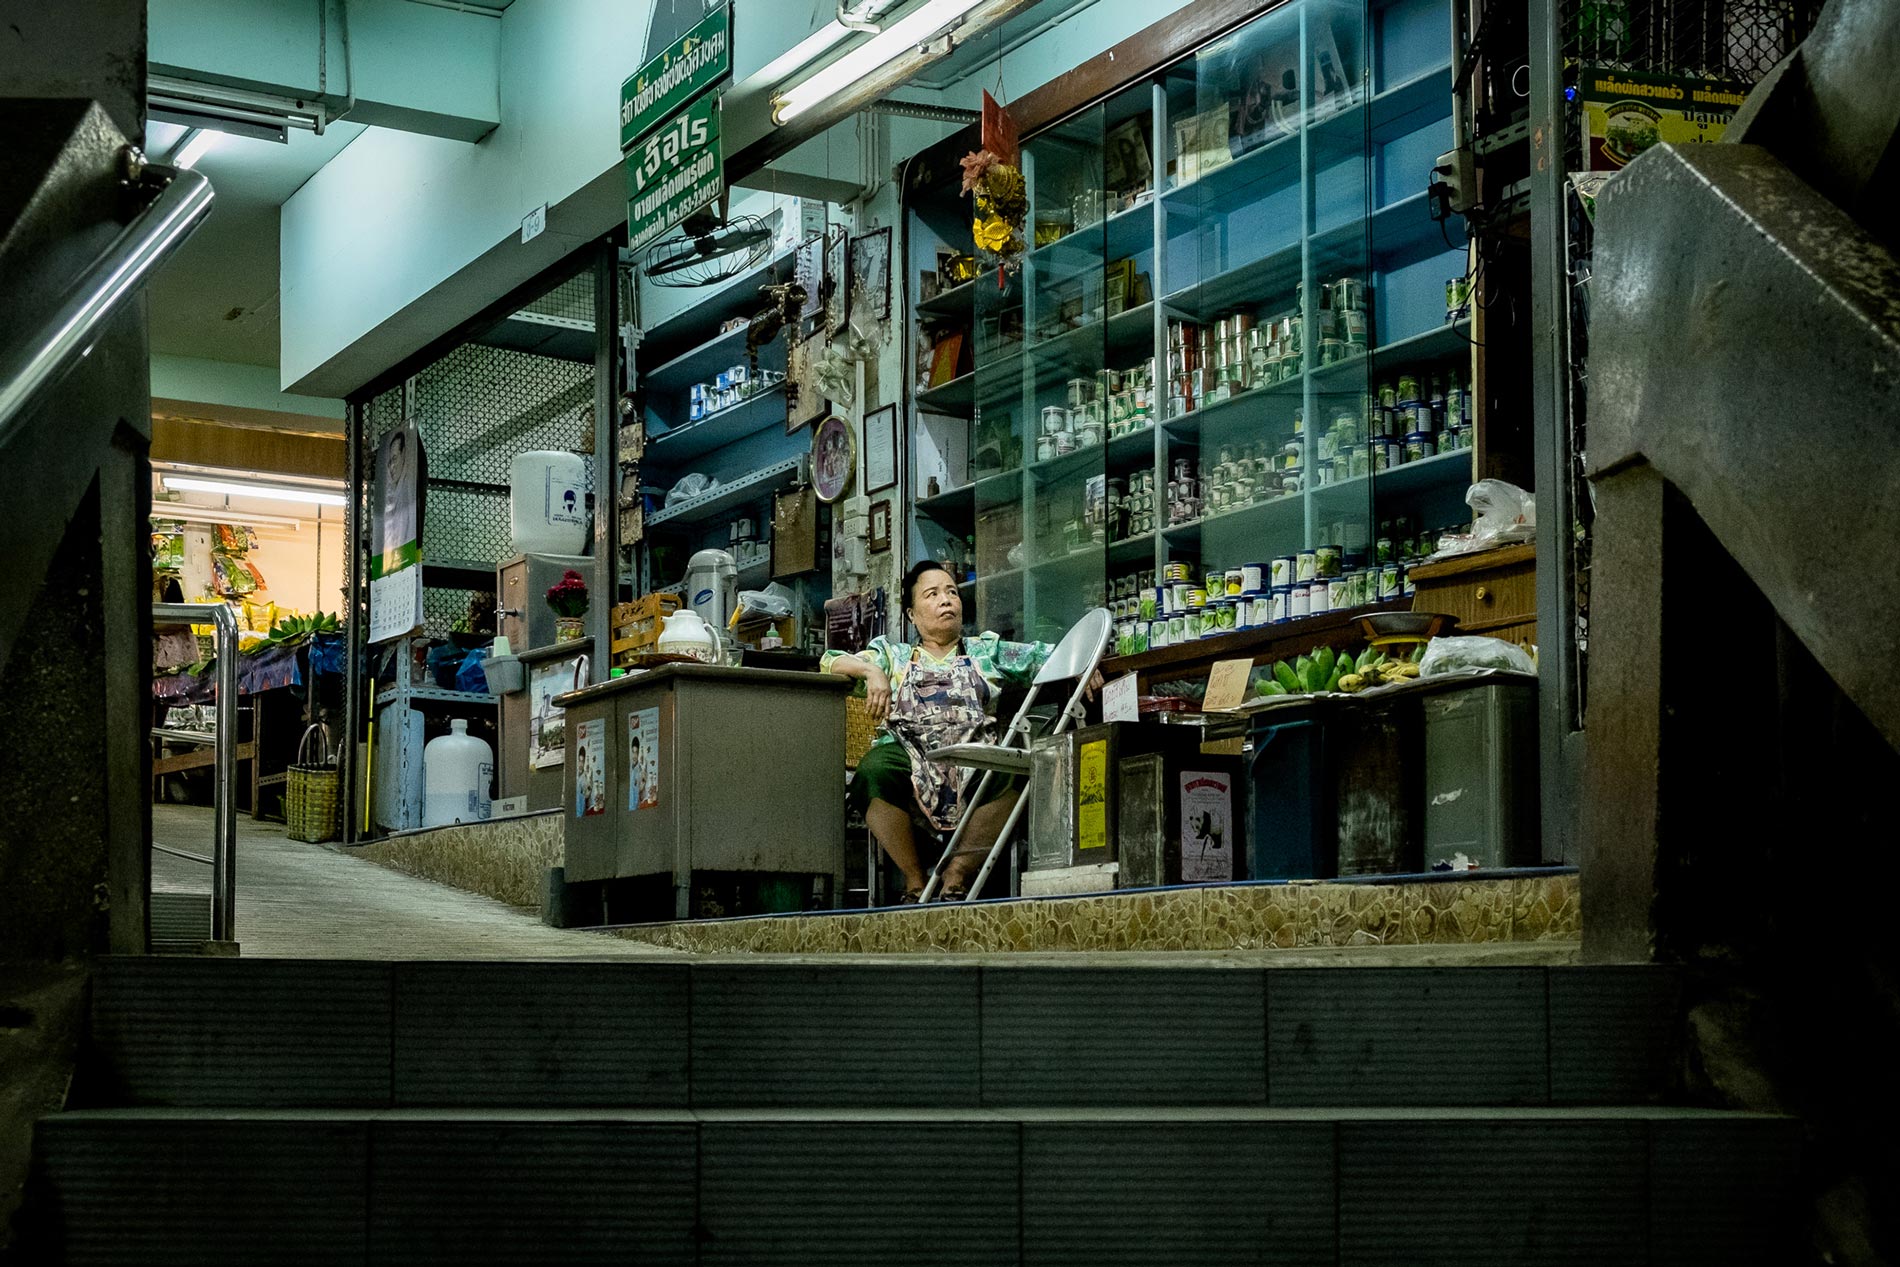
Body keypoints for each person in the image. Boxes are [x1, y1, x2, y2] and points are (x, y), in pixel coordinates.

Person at [823, 560, 1100, 903]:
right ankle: (914, 880)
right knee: (872, 772)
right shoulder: (893, 654)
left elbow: (1049, 657)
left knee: (1013, 771)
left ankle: (957, 872)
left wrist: (1082, 665)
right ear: (912, 614)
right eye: (933, 594)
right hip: (911, 753)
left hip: (974, 749)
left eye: (952, 592)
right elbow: (830, 661)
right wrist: (870, 671)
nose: (946, 600)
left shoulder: (986, 651)